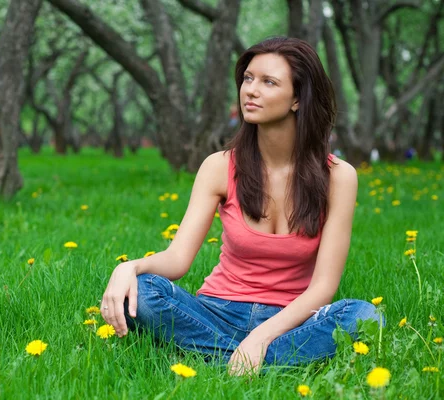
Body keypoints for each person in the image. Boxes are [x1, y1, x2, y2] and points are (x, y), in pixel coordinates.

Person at [100, 37, 379, 375]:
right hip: (215, 312)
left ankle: (224, 359)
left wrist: (260, 337)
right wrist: (127, 268)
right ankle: (261, 364)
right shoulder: (219, 166)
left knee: (365, 316)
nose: (251, 90)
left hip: (290, 321)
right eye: (248, 78)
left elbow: (323, 288)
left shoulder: (339, 177)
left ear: (297, 99)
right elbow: (177, 260)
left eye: (268, 82)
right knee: (142, 291)